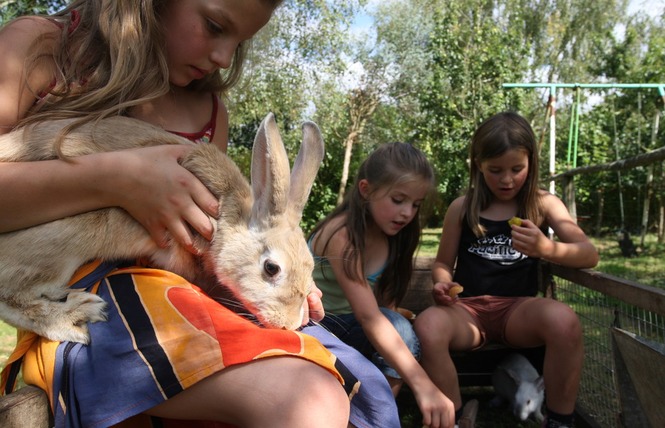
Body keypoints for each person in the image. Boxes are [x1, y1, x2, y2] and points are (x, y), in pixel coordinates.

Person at [0, 1, 398, 427]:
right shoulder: (42, 48)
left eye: (239, 42)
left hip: (168, 300)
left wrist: (292, 289)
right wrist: (117, 179)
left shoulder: (207, 112)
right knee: (307, 399)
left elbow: (212, 251)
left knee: (343, 377)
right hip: (81, 298)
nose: (224, 58)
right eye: (213, 25)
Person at [414, 111, 599, 428]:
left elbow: (589, 254)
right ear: (478, 166)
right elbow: (443, 263)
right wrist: (443, 283)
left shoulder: (543, 204)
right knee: (428, 325)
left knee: (565, 321)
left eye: (517, 169)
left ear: (531, 163)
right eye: (495, 170)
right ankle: (455, 417)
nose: (507, 179)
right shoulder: (463, 207)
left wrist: (546, 249)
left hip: (518, 310)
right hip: (467, 311)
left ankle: (559, 420)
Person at [309, 142, 456, 428]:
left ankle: (372, 416)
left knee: (399, 329)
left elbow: (382, 305)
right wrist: (423, 385)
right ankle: (365, 417)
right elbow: (368, 316)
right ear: (365, 190)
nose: (407, 213)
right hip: (316, 328)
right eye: (398, 199)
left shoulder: (394, 235)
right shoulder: (343, 236)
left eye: (415, 204)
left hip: (353, 329)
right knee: (398, 330)